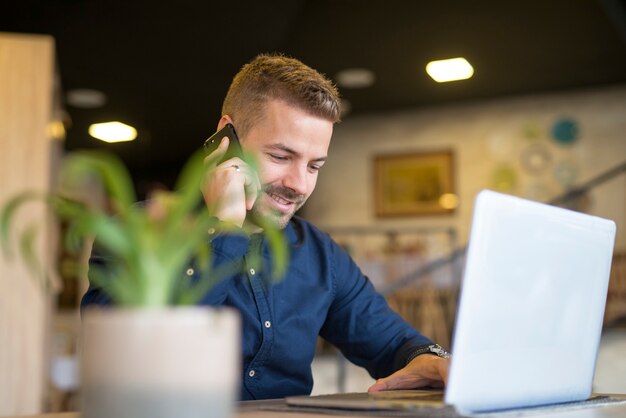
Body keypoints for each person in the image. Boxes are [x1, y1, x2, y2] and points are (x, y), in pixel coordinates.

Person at [82, 53, 450, 400]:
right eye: (280, 156)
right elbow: (131, 368)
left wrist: (432, 360)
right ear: (227, 138)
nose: (299, 184)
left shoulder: (319, 254)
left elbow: (394, 344)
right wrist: (223, 228)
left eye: (314, 166)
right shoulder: (138, 231)